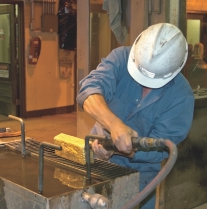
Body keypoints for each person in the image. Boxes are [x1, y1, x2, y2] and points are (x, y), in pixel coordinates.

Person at [76, 23, 194, 208]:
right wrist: (114, 125)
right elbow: (89, 91)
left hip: (140, 175)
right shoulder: (121, 58)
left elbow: (159, 149)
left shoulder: (181, 97)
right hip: (96, 161)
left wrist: (118, 147)